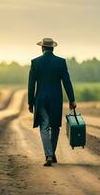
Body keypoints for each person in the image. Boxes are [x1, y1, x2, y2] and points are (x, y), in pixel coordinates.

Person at [28, 38, 77, 167]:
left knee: (44, 126)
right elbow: (67, 82)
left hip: (41, 99)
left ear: (42, 48)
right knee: (55, 127)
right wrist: (72, 99)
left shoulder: (35, 62)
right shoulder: (60, 62)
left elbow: (31, 84)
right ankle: (51, 153)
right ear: (53, 48)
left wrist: (30, 102)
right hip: (56, 100)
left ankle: (49, 155)